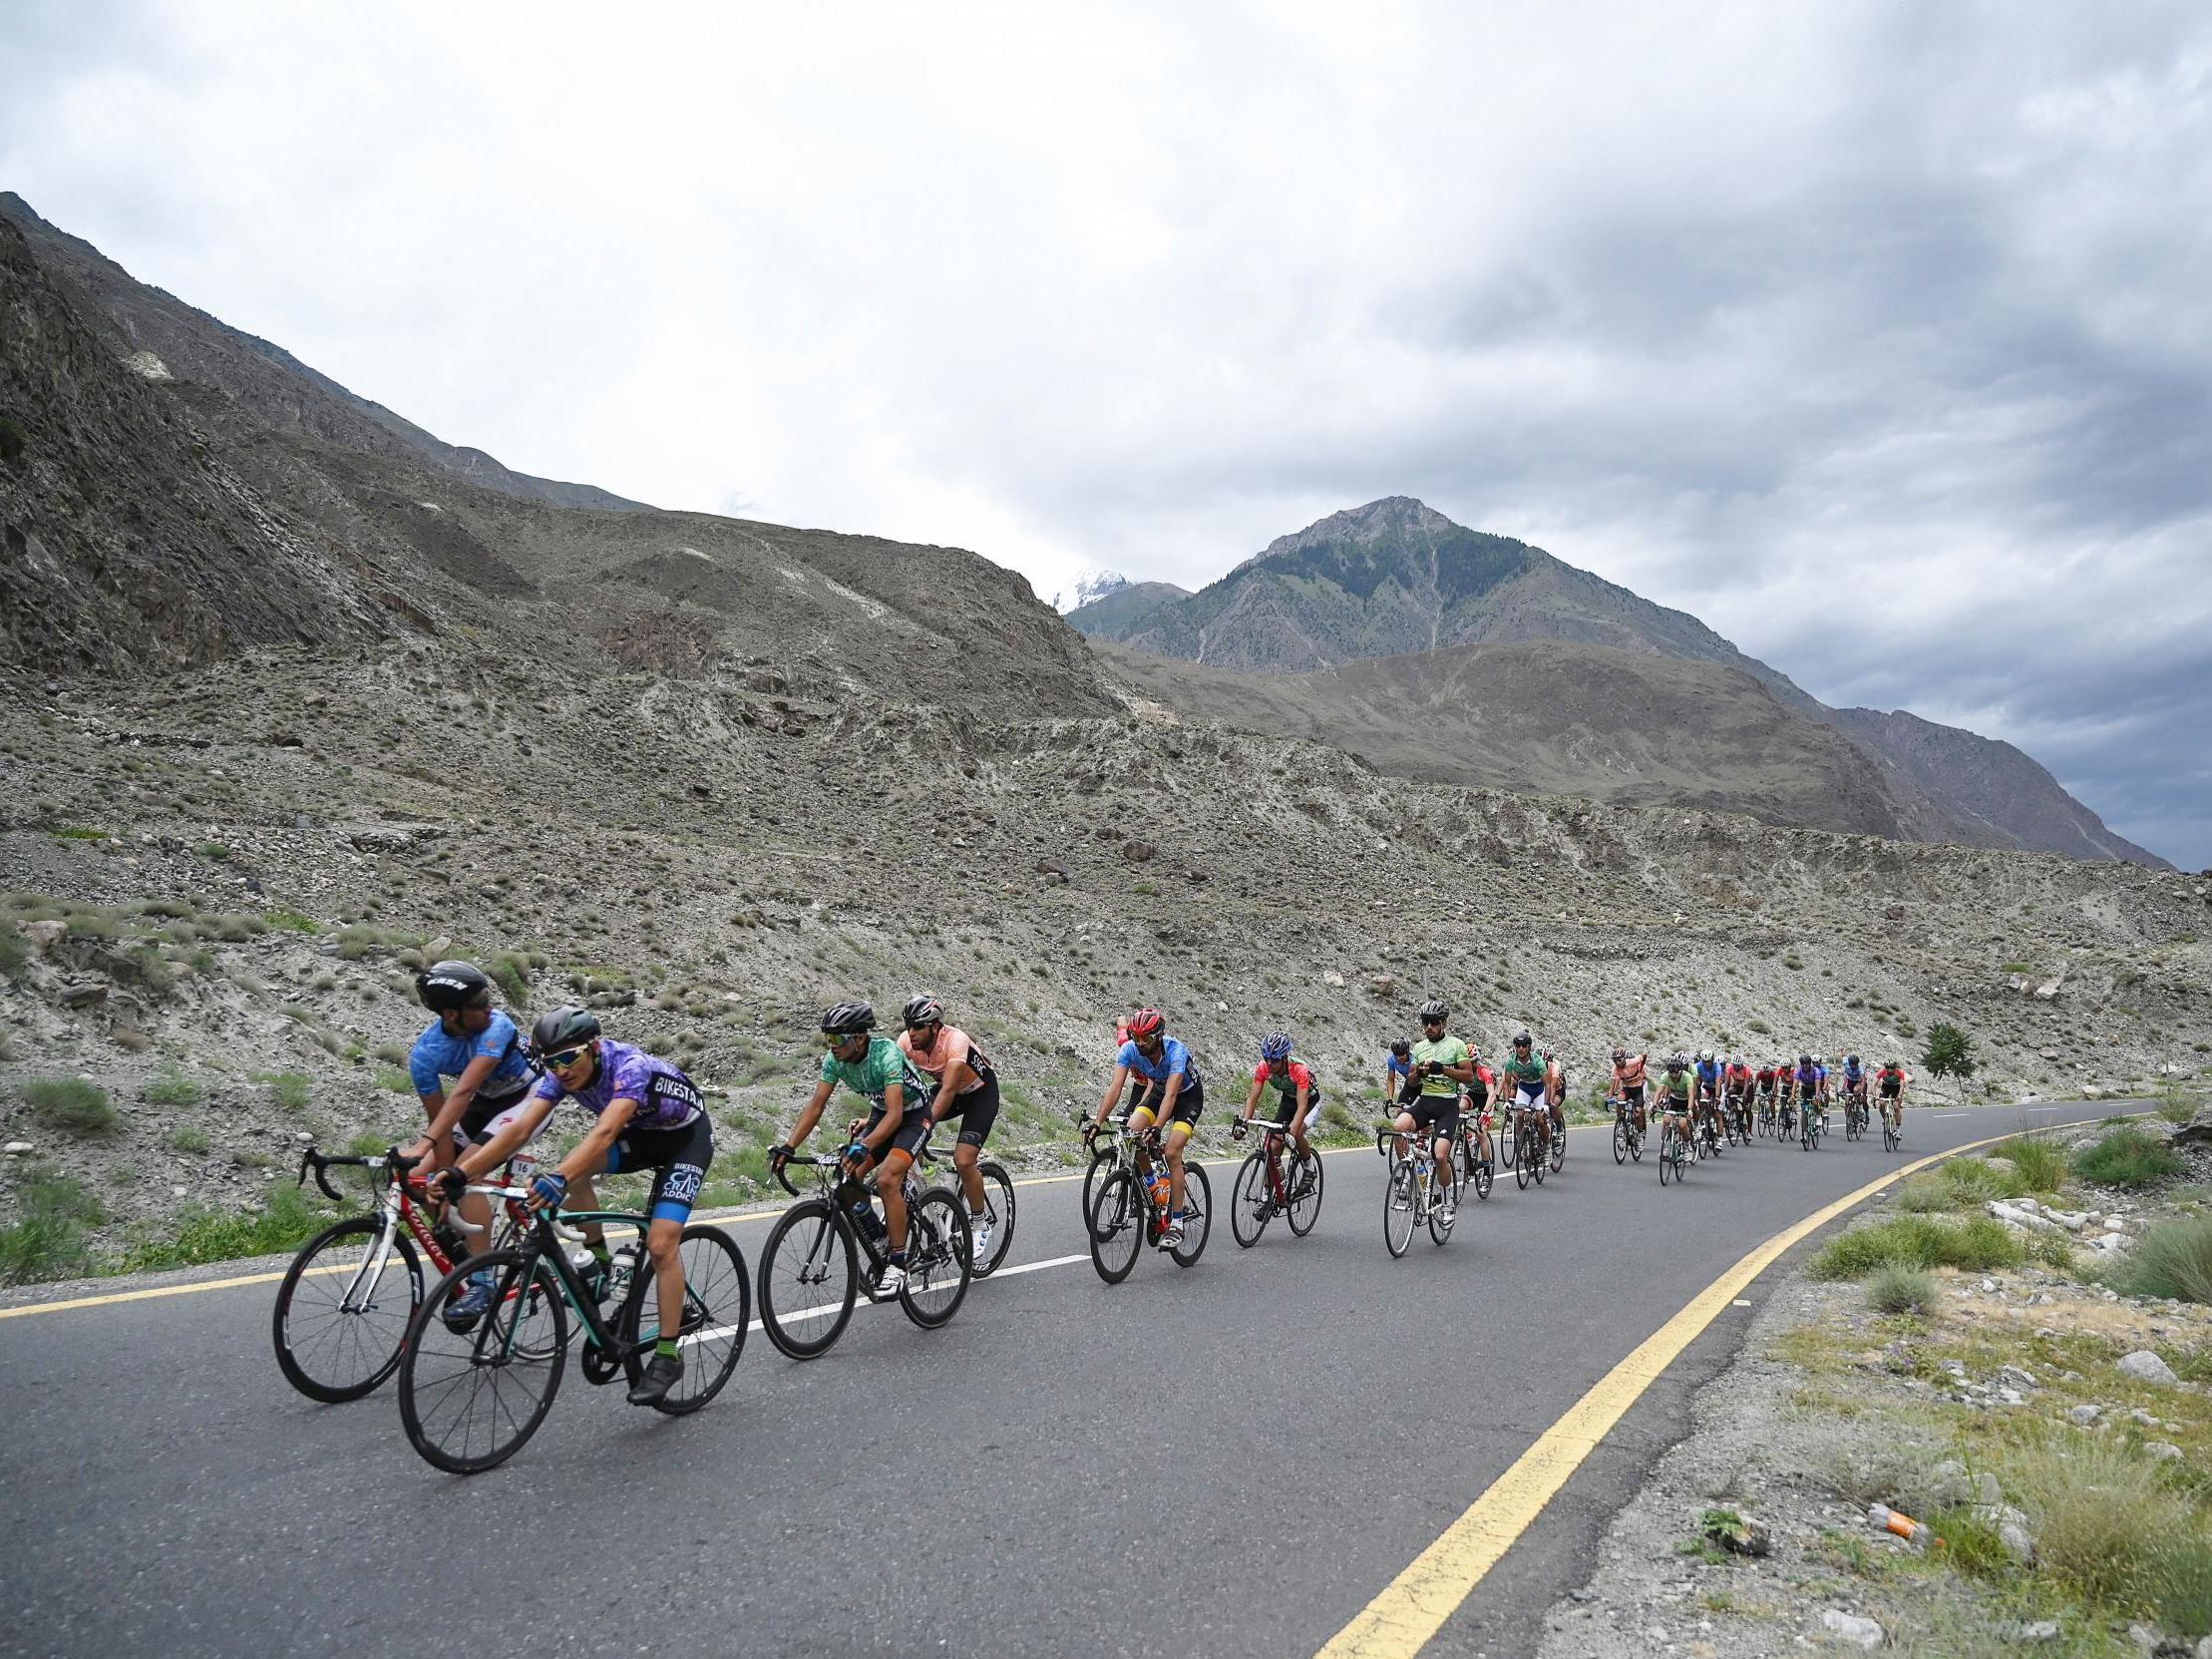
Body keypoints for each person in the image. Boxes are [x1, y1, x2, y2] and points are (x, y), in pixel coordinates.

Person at [448, 1007, 713, 1408]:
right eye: (551, 1062)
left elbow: (605, 1131)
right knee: (573, 1171)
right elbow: (518, 1129)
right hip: (641, 1136)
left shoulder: (630, 1067)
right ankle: (601, 1261)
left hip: (684, 1140)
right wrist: (461, 1174)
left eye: (569, 1057)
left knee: (660, 1245)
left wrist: (559, 1179)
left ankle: (667, 1355)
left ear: (592, 1047)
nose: (561, 1070)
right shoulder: (560, 1076)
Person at [398, 961, 542, 1322]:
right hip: (486, 1105)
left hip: (530, 1097)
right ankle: (469, 1255)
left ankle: (482, 1280)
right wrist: (440, 1169)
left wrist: (433, 1151)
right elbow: (442, 1123)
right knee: (424, 1182)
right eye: (478, 1003)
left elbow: (463, 1092)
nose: (489, 1007)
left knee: (468, 1174)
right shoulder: (426, 1055)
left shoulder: (497, 1026)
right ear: (451, 1014)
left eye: (487, 998)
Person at [777, 1002, 935, 1298]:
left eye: (837, 1039)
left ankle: (899, 1265)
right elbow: (816, 1105)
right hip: (881, 1113)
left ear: (860, 1038)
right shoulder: (834, 1060)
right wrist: (789, 1145)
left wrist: (864, 1144)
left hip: (913, 1115)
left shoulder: (886, 1054)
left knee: (888, 1179)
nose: (831, 1046)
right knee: (848, 1177)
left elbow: (896, 1115)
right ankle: (878, 1236)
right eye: (827, 1039)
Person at [897, 995, 1000, 1265]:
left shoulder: (956, 1042)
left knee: (964, 1160)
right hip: (949, 1091)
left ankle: (979, 1223)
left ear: (934, 1026)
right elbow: (896, 1086)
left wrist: (925, 1125)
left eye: (917, 1026)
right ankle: (912, 1194)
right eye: (908, 1026)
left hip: (979, 1093)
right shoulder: (906, 1043)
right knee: (906, 1140)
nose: (911, 1033)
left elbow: (948, 1090)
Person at [1088, 1008, 1204, 1247]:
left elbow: (1172, 1096)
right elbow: (1115, 1088)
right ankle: (1154, 1185)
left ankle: (1177, 1224)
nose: (1140, 1043)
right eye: (1136, 1037)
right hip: (1159, 1092)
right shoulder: (1129, 1049)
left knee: (1172, 1152)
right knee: (1130, 1135)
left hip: (1187, 1098)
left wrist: (1158, 1128)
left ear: (1159, 1036)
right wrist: (1098, 1122)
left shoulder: (1176, 1051)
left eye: (1146, 1038)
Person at [1395, 1001, 1470, 1219]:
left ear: (1444, 1023)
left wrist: (1443, 1069)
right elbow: (1410, 1081)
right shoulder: (1419, 1048)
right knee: (1399, 1127)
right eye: (1425, 1022)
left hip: (1447, 1105)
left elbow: (1468, 1076)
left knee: (1439, 1156)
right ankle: (1410, 1172)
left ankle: (1447, 1201)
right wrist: (1418, 1072)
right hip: (1425, 1101)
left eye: (1434, 1022)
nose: (1429, 1026)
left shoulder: (1456, 1045)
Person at [1239, 1031, 1322, 1167]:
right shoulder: (1263, 1068)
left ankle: (1309, 1166)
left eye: (1274, 1059)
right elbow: (1252, 1099)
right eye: (1266, 1059)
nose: (1269, 1063)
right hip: (1288, 1100)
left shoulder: (1299, 1069)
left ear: (1284, 1057)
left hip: (1310, 1101)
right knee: (1272, 1146)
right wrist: (1244, 1124)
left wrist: (1291, 1132)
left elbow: (1302, 1107)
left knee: (1297, 1133)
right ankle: (1274, 1184)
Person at [1498, 1033, 1551, 1164]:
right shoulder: (1511, 1060)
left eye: (1524, 1046)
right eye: (1517, 1046)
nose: (1520, 1048)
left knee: (1540, 1119)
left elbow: (1548, 1084)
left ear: (1529, 1047)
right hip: (1524, 1088)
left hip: (1539, 1089)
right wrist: (1506, 1101)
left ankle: (1546, 1147)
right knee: (1520, 1114)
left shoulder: (1537, 1060)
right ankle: (1521, 1142)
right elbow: (1507, 1082)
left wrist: (1546, 1104)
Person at [1655, 1053, 1696, 1156]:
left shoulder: (1687, 1077)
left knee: (1682, 1124)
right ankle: (1664, 1145)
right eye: (1671, 1073)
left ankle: (1687, 1146)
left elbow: (1691, 1095)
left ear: (1680, 1070)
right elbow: (1658, 1092)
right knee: (1666, 1120)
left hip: (1685, 1101)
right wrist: (1654, 1104)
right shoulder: (1665, 1076)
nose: (1673, 1075)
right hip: (1674, 1100)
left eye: (1676, 1073)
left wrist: (1690, 1109)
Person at [1611, 1047, 1649, 1135]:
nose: (1617, 1062)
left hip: (1640, 1086)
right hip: (1628, 1088)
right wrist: (1611, 1094)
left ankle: (1641, 1130)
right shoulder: (1616, 1069)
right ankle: (1621, 1123)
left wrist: (1641, 1067)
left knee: (1638, 1112)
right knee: (1620, 1100)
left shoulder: (1634, 1063)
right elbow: (1615, 1082)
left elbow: (1644, 1056)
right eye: (1615, 1061)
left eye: (1619, 1060)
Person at [1876, 1056, 1910, 1134]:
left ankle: (1898, 1130)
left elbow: (1901, 1086)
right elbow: (1874, 1083)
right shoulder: (1882, 1071)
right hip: (1886, 1088)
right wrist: (1875, 1095)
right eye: (1887, 1068)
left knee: (1896, 1107)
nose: (1889, 1070)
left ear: (1895, 1068)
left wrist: (1899, 1096)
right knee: (1881, 1103)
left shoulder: (1900, 1072)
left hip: (1896, 1089)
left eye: (1892, 1068)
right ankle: (1885, 1119)